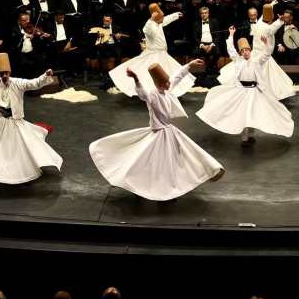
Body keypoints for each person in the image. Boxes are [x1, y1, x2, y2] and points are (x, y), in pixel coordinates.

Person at [91, 61, 224, 200]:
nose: (169, 83)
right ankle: (140, 186)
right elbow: (143, 94)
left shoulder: (167, 89)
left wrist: (190, 65)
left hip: (168, 131)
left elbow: (177, 76)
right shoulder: (153, 96)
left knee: (170, 160)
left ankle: (168, 188)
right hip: (158, 133)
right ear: (159, 85)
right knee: (151, 162)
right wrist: (136, 79)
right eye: (166, 82)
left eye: (168, 81)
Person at [0, 51, 63, 184]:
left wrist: (45, 76)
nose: (4, 76)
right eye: (2, 74)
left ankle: (22, 171)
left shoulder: (18, 83)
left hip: (16, 121)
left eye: (6, 73)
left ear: (10, 72)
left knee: (20, 148)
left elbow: (35, 83)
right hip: (1, 122)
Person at [198, 27, 294, 147]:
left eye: (246, 50)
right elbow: (231, 50)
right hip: (242, 91)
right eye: (242, 51)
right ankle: (244, 138)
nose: (244, 52)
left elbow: (266, 54)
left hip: (253, 91)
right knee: (244, 115)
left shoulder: (256, 61)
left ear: (250, 50)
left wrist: (266, 43)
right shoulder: (239, 61)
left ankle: (251, 135)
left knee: (252, 113)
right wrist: (231, 35)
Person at [109, 4, 196, 97]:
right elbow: (145, 30)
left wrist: (175, 15)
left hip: (162, 53)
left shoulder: (159, 23)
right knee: (151, 74)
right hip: (154, 54)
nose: (163, 19)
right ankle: (153, 92)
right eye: (161, 17)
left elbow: (165, 19)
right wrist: (151, 19)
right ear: (156, 19)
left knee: (168, 70)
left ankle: (165, 90)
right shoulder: (151, 26)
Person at [217, 3, 296, 100]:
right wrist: (280, 20)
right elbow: (273, 27)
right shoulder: (266, 28)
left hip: (255, 53)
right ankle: (263, 94)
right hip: (262, 56)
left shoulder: (259, 22)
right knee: (265, 77)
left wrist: (271, 5)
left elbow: (264, 16)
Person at [10, 11, 48, 76]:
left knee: (43, 58)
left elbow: (36, 39)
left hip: (31, 52)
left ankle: (39, 77)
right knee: (24, 62)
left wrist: (41, 37)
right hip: (20, 53)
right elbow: (14, 40)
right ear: (19, 21)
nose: (27, 22)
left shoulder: (30, 28)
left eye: (27, 20)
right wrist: (25, 36)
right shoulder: (14, 29)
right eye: (24, 20)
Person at [191, 7, 221, 79]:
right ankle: (202, 68)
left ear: (208, 13)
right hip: (201, 44)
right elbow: (194, 37)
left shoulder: (214, 21)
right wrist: (202, 46)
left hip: (212, 43)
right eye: (202, 13)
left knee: (217, 53)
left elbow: (218, 35)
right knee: (194, 53)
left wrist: (211, 45)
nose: (204, 15)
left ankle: (209, 68)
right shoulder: (196, 23)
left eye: (205, 13)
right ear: (200, 14)